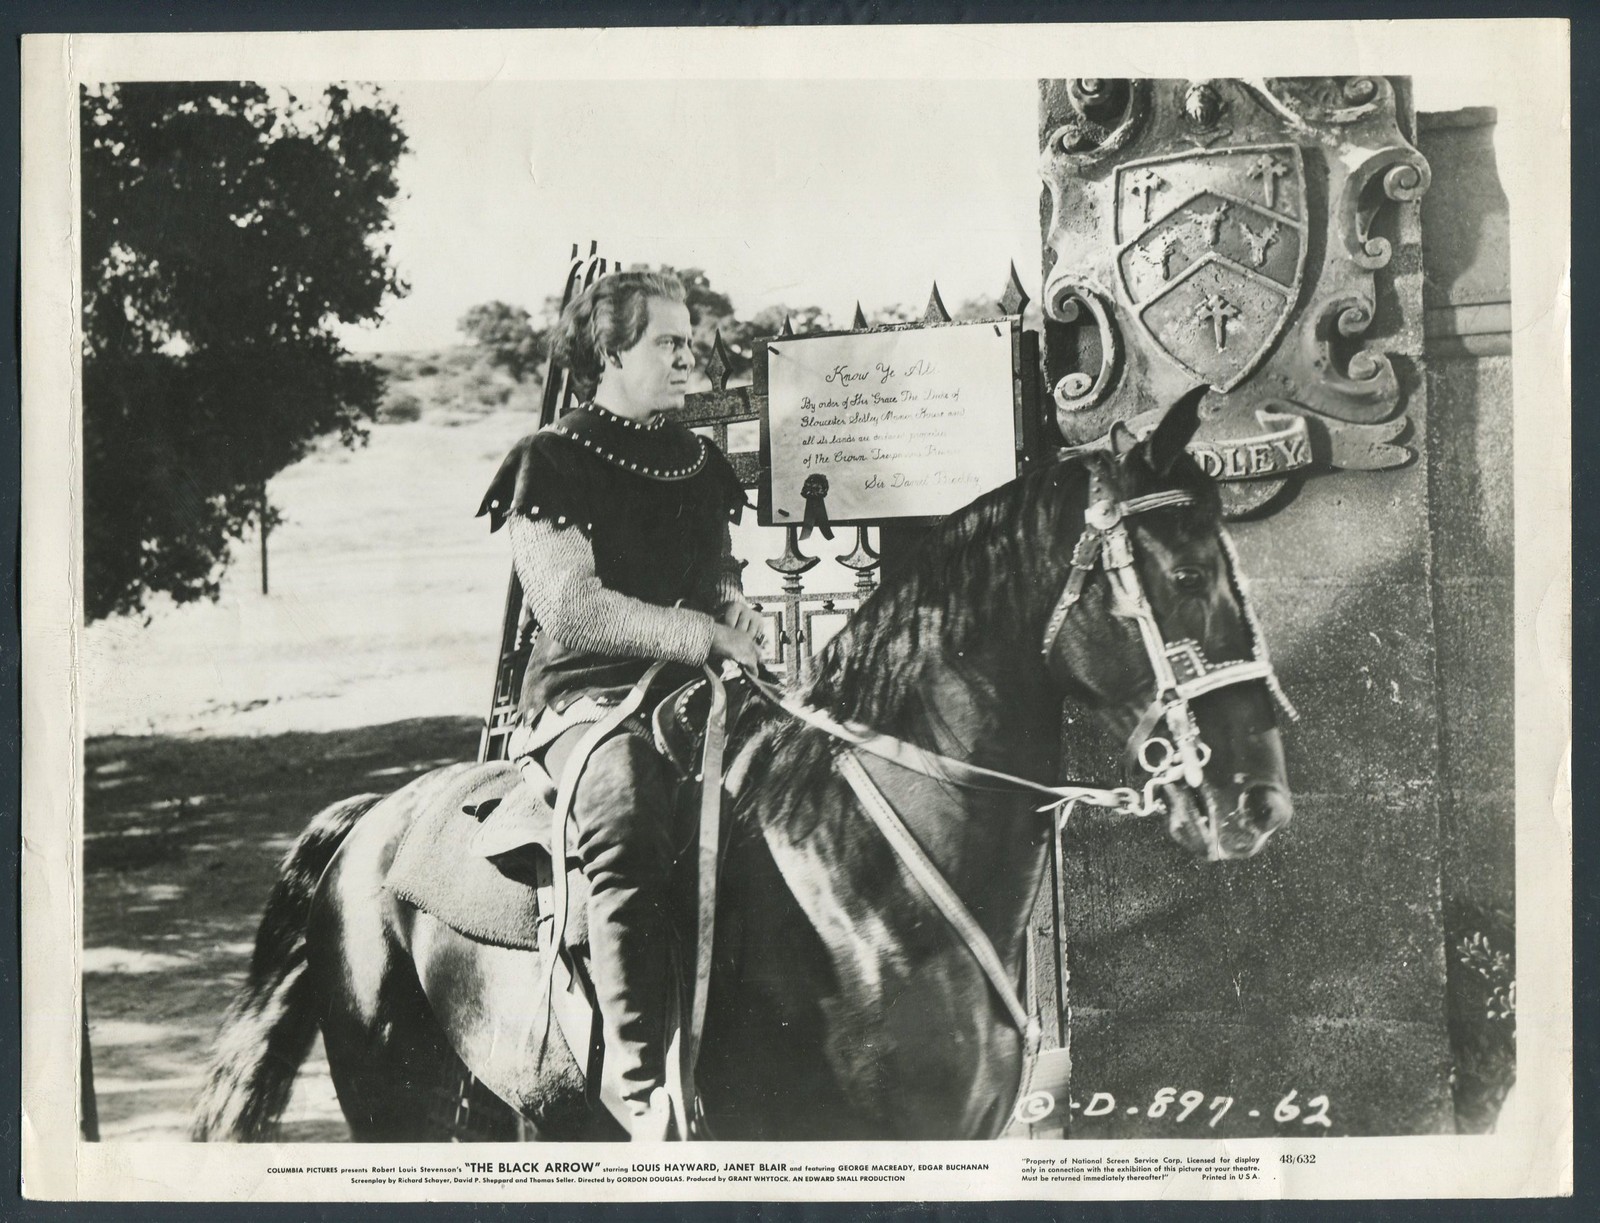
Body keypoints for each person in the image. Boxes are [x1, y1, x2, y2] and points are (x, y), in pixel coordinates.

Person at [478, 270, 762, 1140]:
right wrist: (703, 633)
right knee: (628, 805)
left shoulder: (696, 461)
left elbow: (717, 569)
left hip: (693, 690)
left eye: (690, 341)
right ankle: (639, 1079)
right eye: (667, 343)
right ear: (609, 353)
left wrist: (733, 605)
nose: (689, 357)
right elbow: (572, 609)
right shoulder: (550, 460)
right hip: (585, 699)